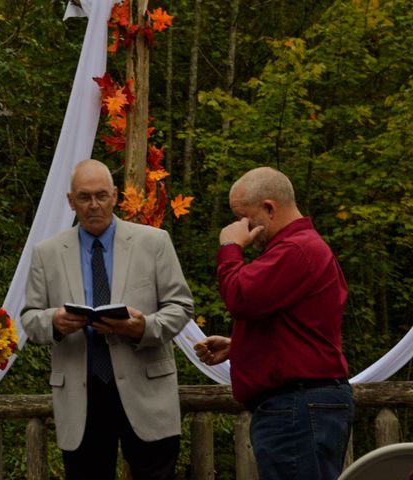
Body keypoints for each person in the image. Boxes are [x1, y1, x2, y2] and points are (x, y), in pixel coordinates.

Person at [21, 159, 194, 480]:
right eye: (84, 198)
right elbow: (29, 319)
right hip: (81, 395)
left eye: (101, 195)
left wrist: (143, 328)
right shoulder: (47, 253)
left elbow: (181, 306)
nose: (94, 205)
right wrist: (54, 322)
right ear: (70, 201)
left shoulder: (154, 242)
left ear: (115, 196)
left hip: (146, 390)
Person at [194, 167, 354, 480]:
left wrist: (230, 247)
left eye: (244, 217)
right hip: (301, 404)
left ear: (269, 208)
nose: (240, 227)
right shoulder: (301, 248)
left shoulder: (295, 250)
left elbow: (240, 297)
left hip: (296, 406)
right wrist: (241, 346)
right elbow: (299, 329)